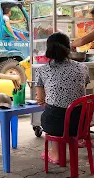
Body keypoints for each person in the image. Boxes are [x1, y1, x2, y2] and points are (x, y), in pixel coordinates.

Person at [35, 32, 90, 164]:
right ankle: (76, 141)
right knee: (66, 110)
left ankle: (55, 154)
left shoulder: (42, 70)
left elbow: (40, 100)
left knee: (51, 112)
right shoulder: (83, 67)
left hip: (56, 124)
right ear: (69, 47)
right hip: (80, 124)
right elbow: (81, 91)